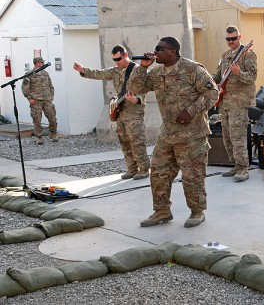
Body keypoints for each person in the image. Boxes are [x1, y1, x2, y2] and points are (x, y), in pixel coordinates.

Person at [128, 37, 219, 228]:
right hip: (168, 133)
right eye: (156, 49)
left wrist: (191, 110)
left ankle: (197, 212)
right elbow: (136, 88)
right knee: (158, 173)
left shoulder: (193, 69)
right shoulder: (157, 72)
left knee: (191, 176)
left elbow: (212, 94)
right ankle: (161, 211)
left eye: (160, 49)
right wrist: (143, 67)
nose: (156, 52)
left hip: (192, 135)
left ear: (173, 51)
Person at [73, 45, 150, 180]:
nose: (116, 62)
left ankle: (143, 169)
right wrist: (82, 69)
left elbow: (144, 88)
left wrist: (136, 99)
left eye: (119, 59)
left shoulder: (137, 70)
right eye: (114, 59)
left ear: (125, 55)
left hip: (134, 113)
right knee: (124, 142)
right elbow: (99, 73)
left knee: (137, 141)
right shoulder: (115, 71)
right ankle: (131, 169)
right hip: (120, 112)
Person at [212, 25, 257, 182]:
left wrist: (238, 73)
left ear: (239, 37)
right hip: (224, 102)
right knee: (227, 136)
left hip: (239, 101)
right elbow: (218, 74)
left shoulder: (248, 54)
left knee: (238, 136)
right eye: (228, 39)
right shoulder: (225, 55)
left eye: (233, 38)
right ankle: (236, 165)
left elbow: (251, 78)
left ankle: (244, 168)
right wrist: (212, 79)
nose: (231, 41)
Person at [21, 57, 58, 145]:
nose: (43, 63)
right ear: (37, 63)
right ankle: (39, 137)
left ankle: (53, 134)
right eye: (42, 62)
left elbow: (50, 86)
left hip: (47, 100)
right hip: (36, 101)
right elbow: (25, 87)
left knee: (52, 117)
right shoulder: (29, 74)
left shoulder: (45, 73)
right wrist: (29, 98)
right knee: (37, 119)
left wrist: (51, 96)